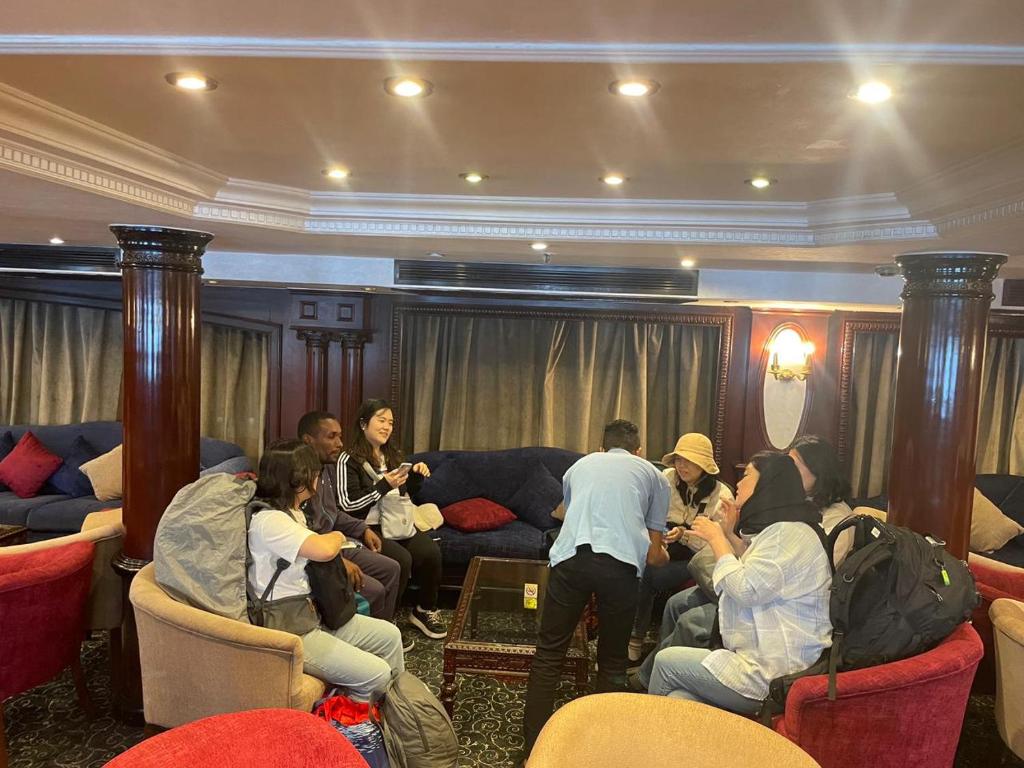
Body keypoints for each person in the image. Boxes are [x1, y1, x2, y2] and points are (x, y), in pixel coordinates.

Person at [522, 419, 670, 754]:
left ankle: (533, 750)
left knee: (548, 655)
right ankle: (600, 751)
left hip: (570, 561)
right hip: (619, 568)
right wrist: (663, 552)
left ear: (601, 447)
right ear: (639, 450)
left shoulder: (578, 467)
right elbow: (655, 553)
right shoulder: (654, 475)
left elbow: (571, 516)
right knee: (613, 662)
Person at [646, 451, 831, 713]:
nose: (739, 484)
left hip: (774, 672)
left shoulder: (789, 534)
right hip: (760, 657)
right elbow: (756, 570)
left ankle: (648, 741)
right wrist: (729, 533)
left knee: (665, 662)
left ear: (767, 484)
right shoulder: (784, 529)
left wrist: (717, 539)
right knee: (679, 697)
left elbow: (746, 589)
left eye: (746, 477)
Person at [248, 439, 405, 701]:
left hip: (313, 614)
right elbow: (324, 549)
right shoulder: (270, 521)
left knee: (389, 636)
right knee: (376, 674)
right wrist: (336, 535)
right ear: (300, 478)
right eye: (315, 473)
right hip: (291, 630)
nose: (318, 479)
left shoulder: (294, 512)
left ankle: (397, 712)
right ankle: (352, 731)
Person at [336, 399, 447, 640]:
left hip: (397, 523)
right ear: (364, 423)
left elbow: (403, 496)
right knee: (402, 560)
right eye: (381, 420)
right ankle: (387, 618)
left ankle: (424, 610)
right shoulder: (349, 459)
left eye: (391, 423)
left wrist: (416, 478)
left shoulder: (393, 456)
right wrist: (383, 486)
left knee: (431, 553)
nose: (387, 427)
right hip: (367, 526)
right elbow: (347, 506)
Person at [628, 433, 733, 662]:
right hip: (663, 544)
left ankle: (636, 638)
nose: (681, 466)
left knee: (649, 573)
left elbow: (719, 543)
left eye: (689, 461)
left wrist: (685, 536)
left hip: (695, 559)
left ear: (704, 465)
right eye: (678, 459)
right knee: (635, 563)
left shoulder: (721, 495)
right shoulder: (665, 478)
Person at [298, 411, 403, 624]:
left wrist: (362, 529)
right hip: (318, 552)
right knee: (374, 589)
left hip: (337, 543)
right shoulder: (299, 478)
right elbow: (301, 531)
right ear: (308, 440)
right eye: (331, 437)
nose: (339, 443)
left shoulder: (326, 470)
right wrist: (337, 561)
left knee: (392, 568)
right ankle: (360, 639)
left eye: (340, 436)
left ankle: (382, 631)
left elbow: (333, 514)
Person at [789, 435, 855, 564]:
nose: (786, 473)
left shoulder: (839, 519)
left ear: (818, 471)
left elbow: (821, 569)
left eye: (793, 466)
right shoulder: (801, 502)